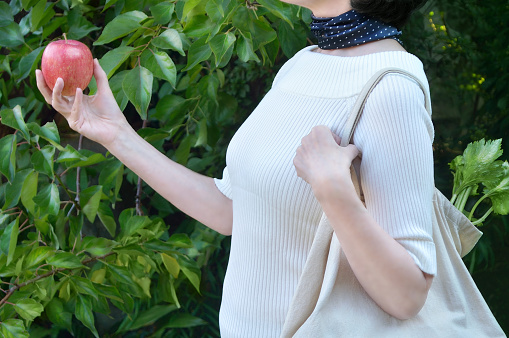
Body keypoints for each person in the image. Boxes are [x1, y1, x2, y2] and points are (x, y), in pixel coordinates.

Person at [36, 0, 436, 336]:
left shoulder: (391, 89)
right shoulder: (303, 63)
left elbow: (407, 294)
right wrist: (114, 134)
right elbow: (232, 209)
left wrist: (332, 189)